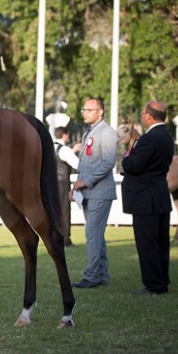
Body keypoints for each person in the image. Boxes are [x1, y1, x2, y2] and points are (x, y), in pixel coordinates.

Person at [121, 101, 174, 294]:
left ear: (149, 117)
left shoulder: (149, 139)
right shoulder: (167, 137)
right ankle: (162, 281)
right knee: (161, 243)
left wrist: (126, 159)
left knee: (147, 244)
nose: (142, 116)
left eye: (143, 114)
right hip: (160, 196)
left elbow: (135, 165)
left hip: (145, 199)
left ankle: (153, 284)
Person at [70, 98, 118, 289]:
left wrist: (86, 182)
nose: (84, 113)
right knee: (96, 235)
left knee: (92, 234)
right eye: (84, 109)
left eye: (89, 110)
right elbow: (85, 164)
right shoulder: (89, 132)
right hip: (87, 192)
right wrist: (76, 187)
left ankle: (91, 276)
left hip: (100, 192)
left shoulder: (107, 133)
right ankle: (101, 274)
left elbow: (108, 163)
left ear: (100, 112)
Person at [54, 126, 80, 247]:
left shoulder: (49, 147)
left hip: (50, 183)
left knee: (53, 210)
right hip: (62, 183)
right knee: (64, 210)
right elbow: (78, 164)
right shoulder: (65, 150)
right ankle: (65, 239)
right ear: (64, 135)